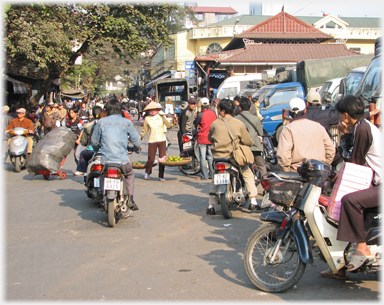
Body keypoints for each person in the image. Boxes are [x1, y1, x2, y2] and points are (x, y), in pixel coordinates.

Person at [320, 95, 381, 280]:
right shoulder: (361, 126)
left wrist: (343, 135)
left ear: (346, 115)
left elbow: (354, 161)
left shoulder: (362, 129)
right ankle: (339, 266)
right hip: (374, 182)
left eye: (340, 114)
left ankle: (361, 247)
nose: (338, 118)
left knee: (349, 201)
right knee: (339, 210)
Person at [206, 99, 258, 215]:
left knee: (215, 178)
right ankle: (253, 201)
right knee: (247, 173)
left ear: (222, 111)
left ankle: (210, 205)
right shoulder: (238, 124)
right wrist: (250, 143)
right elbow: (246, 140)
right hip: (233, 158)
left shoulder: (214, 124)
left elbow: (210, 138)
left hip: (218, 157)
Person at [91, 99, 141, 212]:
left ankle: (102, 196)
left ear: (107, 110)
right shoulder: (126, 122)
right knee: (129, 174)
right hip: (122, 162)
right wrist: (137, 149)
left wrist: (97, 149)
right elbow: (137, 141)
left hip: (106, 161)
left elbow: (94, 142)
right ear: (120, 109)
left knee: (103, 174)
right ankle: (130, 199)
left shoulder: (101, 122)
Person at [277, 97, 335, 172]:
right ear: (305, 111)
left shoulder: (288, 130)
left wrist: (288, 172)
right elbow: (330, 149)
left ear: (290, 113)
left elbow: (283, 155)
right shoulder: (318, 126)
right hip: (318, 171)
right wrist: (324, 165)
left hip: (297, 173)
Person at [235, 97, 268, 210]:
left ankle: (242, 189)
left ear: (240, 108)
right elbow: (260, 132)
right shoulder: (255, 119)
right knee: (262, 166)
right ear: (250, 107)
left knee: (244, 169)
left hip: (243, 149)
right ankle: (266, 189)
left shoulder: (236, 119)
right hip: (255, 147)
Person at [140, 101, 173, 181]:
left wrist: (173, 122)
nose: (152, 111)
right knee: (151, 159)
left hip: (162, 139)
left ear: (157, 109)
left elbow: (168, 125)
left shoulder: (161, 116)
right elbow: (145, 130)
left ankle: (161, 176)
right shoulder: (147, 119)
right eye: (150, 110)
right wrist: (141, 136)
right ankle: (148, 172)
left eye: (154, 109)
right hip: (152, 140)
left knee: (162, 159)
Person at [74, 106, 105, 176]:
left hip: (92, 151)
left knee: (82, 154)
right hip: (105, 151)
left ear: (93, 115)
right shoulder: (107, 124)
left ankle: (81, 170)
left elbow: (84, 142)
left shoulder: (88, 125)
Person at [194, 97, 216, 180]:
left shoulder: (200, 115)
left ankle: (204, 175)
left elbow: (196, 124)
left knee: (202, 157)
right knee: (210, 156)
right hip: (211, 138)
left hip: (203, 138)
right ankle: (212, 174)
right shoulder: (213, 113)